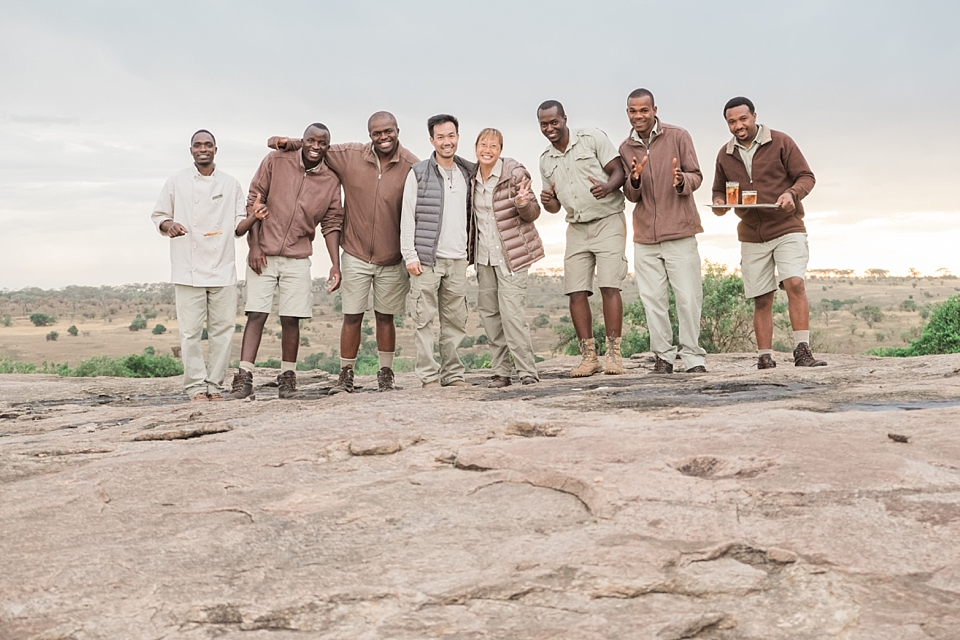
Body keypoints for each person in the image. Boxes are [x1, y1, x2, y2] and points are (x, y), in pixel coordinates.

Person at [267, 112, 418, 393]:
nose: (383, 137)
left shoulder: (412, 166)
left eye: (388, 131)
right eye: (376, 133)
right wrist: (289, 142)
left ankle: (386, 374)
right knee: (352, 315)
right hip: (355, 252)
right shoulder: (349, 156)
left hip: (392, 256)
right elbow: (316, 146)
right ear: (369, 135)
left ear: (398, 130)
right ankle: (345, 374)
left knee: (386, 316)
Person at [228, 123, 344, 400]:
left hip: (298, 255)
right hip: (264, 253)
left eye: (322, 143)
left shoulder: (330, 180)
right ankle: (243, 378)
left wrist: (335, 264)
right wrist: (254, 246)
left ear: (328, 146)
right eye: (310, 141)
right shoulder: (275, 160)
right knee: (256, 313)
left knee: (292, 318)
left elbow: (331, 223)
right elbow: (254, 202)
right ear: (302, 141)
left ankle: (288, 378)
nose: (316, 147)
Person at [711, 97, 826, 369]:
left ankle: (802, 350)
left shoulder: (781, 142)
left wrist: (791, 193)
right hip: (751, 234)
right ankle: (765, 356)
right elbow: (718, 191)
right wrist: (719, 204)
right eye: (731, 121)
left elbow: (806, 177)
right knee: (762, 298)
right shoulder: (725, 155)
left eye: (743, 119)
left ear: (754, 116)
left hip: (787, 226)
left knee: (794, 283)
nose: (738, 125)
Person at [151, 130, 246, 402]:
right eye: (197, 145)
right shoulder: (176, 182)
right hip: (187, 267)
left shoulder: (230, 184)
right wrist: (169, 225)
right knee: (190, 332)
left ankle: (215, 386)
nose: (202, 149)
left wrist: (254, 219)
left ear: (216, 149)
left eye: (208, 145)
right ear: (190, 150)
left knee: (223, 332)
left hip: (222, 266)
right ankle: (195, 387)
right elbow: (159, 215)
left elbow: (240, 224)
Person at [618, 88, 707, 374]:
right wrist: (634, 180)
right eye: (633, 111)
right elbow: (631, 196)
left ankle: (693, 358)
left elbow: (697, 175)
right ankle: (663, 358)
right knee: (653, 301)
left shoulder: (678, 136)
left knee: (688, 298)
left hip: (680, 232)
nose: (638, 116)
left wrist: (681, 180)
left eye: (644, 110)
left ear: (655, 110)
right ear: (627, 113)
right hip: (644, 237)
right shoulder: (625, 148)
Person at [537, 100, 627, 377]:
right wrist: (548, 201)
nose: (550, 128)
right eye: (544, 124)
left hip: (608, 220)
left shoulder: (592, 139)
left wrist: (608, 186)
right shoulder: (545, 160)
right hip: (576, 226)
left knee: (609, 285)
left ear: (564, 118)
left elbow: (619, 171)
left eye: (554, 122)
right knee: (575, 291)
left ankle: (614, 355)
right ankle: (589, 357)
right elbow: (553, 208)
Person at [400, 114, 475, 388]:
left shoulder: (468, 173)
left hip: (457, 259)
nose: (447, 142)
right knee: (424, 320)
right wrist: (410, 254)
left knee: (455, 322)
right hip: (426, 260)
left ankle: (453, 375)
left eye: (451, 135)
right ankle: (429, 377)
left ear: (458, 137)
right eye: (440, 137)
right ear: (432, 140)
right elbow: (407, 215)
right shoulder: (418, 172)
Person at [470, 128, 544, 388]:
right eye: (483, 144)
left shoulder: (514, 174)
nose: (487, 149)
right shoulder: (472, 178)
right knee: (490, 315)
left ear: (501, 150)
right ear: (476, 147)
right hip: (484, 257)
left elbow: (533, 212)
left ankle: (527, 371)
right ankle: (501, 372)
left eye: (493, 145)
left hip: (512, 256)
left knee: (512, 314)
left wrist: (523, 202)